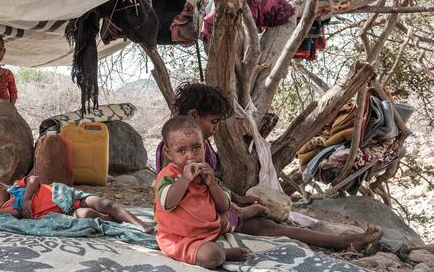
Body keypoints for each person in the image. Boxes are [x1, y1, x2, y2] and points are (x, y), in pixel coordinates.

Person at [161, 82, 381, 252]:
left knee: (266, 223)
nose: (216, 129)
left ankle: (345, 241)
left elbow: (209, 182)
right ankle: (345, 242)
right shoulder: (172, 152)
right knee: (267, 227)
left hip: (213, 211)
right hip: (195, 223)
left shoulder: (201, 147)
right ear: (193, 115)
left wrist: (236, 198)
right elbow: (172, 198)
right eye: (214, 121)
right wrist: (228, 209)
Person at [155, 116, 251, 268]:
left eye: (196, 147)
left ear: (204, 146)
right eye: (181, 150)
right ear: (168, 153)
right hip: (179, 238)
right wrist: (185, 180)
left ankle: (251, 212)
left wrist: (212, 183)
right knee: (213, 256)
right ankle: (225, 253)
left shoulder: (206, 171)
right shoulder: (169, 175)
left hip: (208, 229)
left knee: (227, 216)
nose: (190, 156)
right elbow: (167, 203)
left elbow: (224, 205)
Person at [0, 175, 153, 233]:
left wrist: (28, 199)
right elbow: (15, 214)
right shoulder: (9, 209)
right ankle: (113, 221)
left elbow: (35, 179)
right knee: (88, 215)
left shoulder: (17, 186)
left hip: (68, 197)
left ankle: (141, 225)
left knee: (104, 203)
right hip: (68, 212)